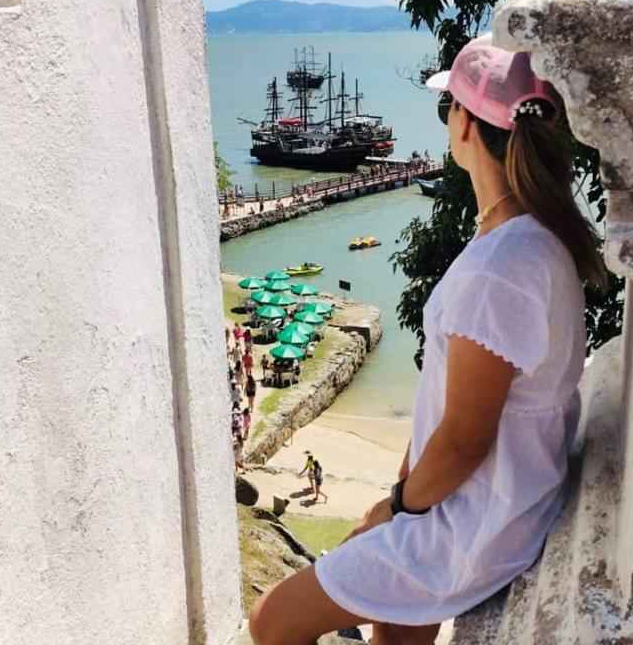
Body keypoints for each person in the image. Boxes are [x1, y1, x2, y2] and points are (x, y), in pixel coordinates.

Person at [249, 33, 607, 645]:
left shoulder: (503, 265)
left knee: (272, 621)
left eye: (448, 107)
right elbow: (451, 408)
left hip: (475, 520)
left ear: (465, 123)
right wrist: (400, 492)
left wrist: (393, 509)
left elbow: (465, 439)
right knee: (394, 634)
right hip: (500, 501)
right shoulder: (533, 237)